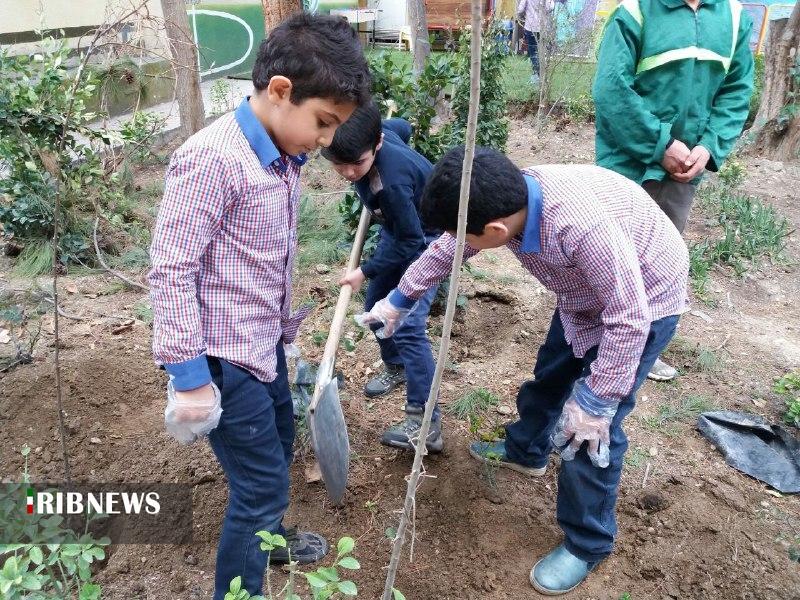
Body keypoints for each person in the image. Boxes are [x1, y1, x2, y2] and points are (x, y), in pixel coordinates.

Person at [358, 146, 688, 595]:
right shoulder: (505, 200)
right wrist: (401, 299)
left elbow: (628, 315)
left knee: (587, 431)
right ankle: (526, 451)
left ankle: (587, 542)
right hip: (584, 295)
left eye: (469, 236)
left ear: (495, 230)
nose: (462, 243)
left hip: (645, 301)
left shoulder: (579, 228)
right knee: (550, 377)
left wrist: (598, 400)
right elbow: (450, 247)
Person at [147, 13, 371, 600]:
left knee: (275, 440)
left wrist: (281, 334)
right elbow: (172, 271)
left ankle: (268, 536)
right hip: (220, 355)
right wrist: (189, 378)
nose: (326, 141)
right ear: (279, 92)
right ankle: (242, 582)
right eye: (323, 123)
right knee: (261, 486)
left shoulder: (281, 154)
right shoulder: (211, 161)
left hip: (261, 342)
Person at [592, 0, 754, 381]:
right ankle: (592, 343)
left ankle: (640, 348)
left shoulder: (732, 18)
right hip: (627, 163)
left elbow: (736, 90)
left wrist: (709, 147)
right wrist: (659, 144)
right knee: (606, 257)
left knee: (659, 261)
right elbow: (611, 90)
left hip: (683, 171)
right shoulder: (636, 11)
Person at [321, 102, 443, 452]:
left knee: (406, 323)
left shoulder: (391, 185)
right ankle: (396, 365)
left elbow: (412, 240)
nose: (347, 172)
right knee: (376, 306)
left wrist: (365, 269)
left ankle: (426, 423)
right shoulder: (382, 134)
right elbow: (402, 125)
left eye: (355, 163)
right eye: (338, 164)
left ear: (376, 144)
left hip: (428, 240)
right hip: (398, 228)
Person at [516, 0, 555, 84]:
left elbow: (520, 9)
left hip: (531, 27)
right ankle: (538, 76)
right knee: (542, 52)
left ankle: (538, 76)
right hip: (543, 27)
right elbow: (551, 7)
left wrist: (522, 16)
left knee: (533, 53)